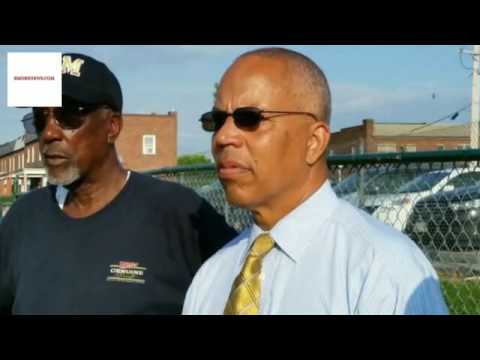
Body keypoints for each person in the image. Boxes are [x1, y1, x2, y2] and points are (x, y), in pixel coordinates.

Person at [182, 47, 449, 315]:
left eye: (249, 119)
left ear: (314, 141)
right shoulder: (211, 277)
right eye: (216, 120)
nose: (223, 137)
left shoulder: (381, 269)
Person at [0, 53, 237, 315]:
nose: (49, 133)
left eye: (68, 116)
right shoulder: (23, 219)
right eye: (39, 119)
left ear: (113, 126)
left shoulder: (180, 213)